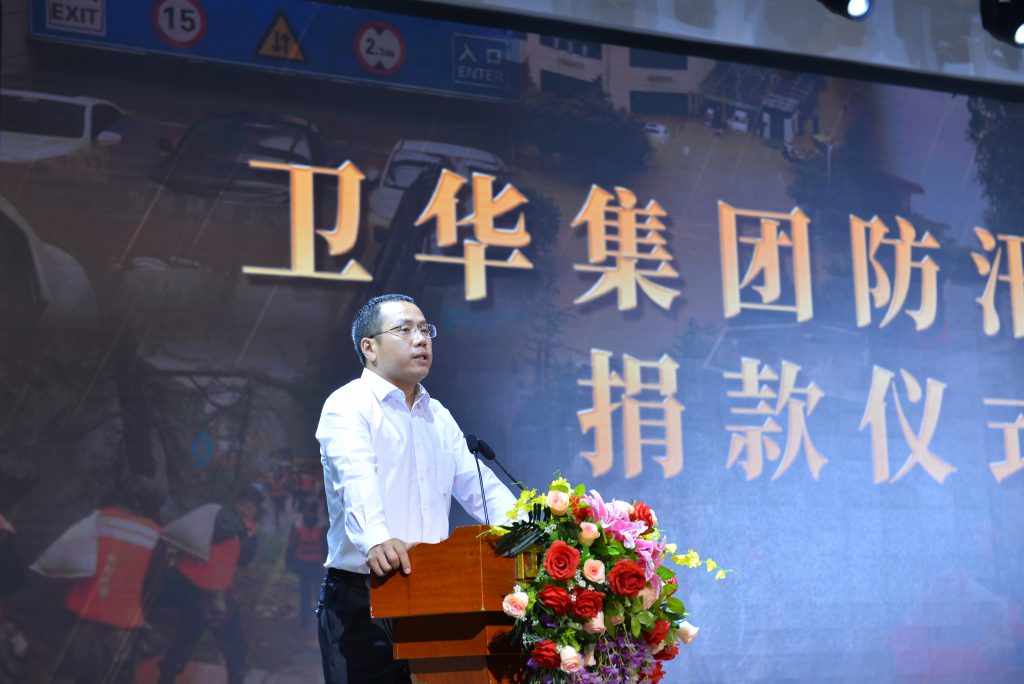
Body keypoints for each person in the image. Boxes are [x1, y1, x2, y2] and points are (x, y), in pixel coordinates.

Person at [315, 293, 517, 683]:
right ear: (369, 348)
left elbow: (482, 489)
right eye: (405, 329)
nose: (421, 339)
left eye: (425, 330)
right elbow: (355, 476)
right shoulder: (348, 405)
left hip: (437, 598)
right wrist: (376, 538)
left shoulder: (437, 415)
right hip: (364, 600)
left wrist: (533, 534)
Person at [157, 487, 261, 684]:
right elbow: (244, 560)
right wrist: (250, 536)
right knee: (234, 644)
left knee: (185, 635)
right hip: (214, 591)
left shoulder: (211, 514)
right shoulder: (245, 529)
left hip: (188, 584)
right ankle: (236, 679)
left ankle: (165, 678)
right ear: (251, 507)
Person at [286, 501, 328, 632]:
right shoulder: (298, 526)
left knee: (320, 593)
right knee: (305, 595)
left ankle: (323, 621)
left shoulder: (322, 526)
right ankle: (305, 622)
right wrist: (289, 563)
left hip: (317, 565)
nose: (308, 514)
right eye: (306, 511)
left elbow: (326, 546)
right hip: (303, 564)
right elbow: (292, 544)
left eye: (310, 511)